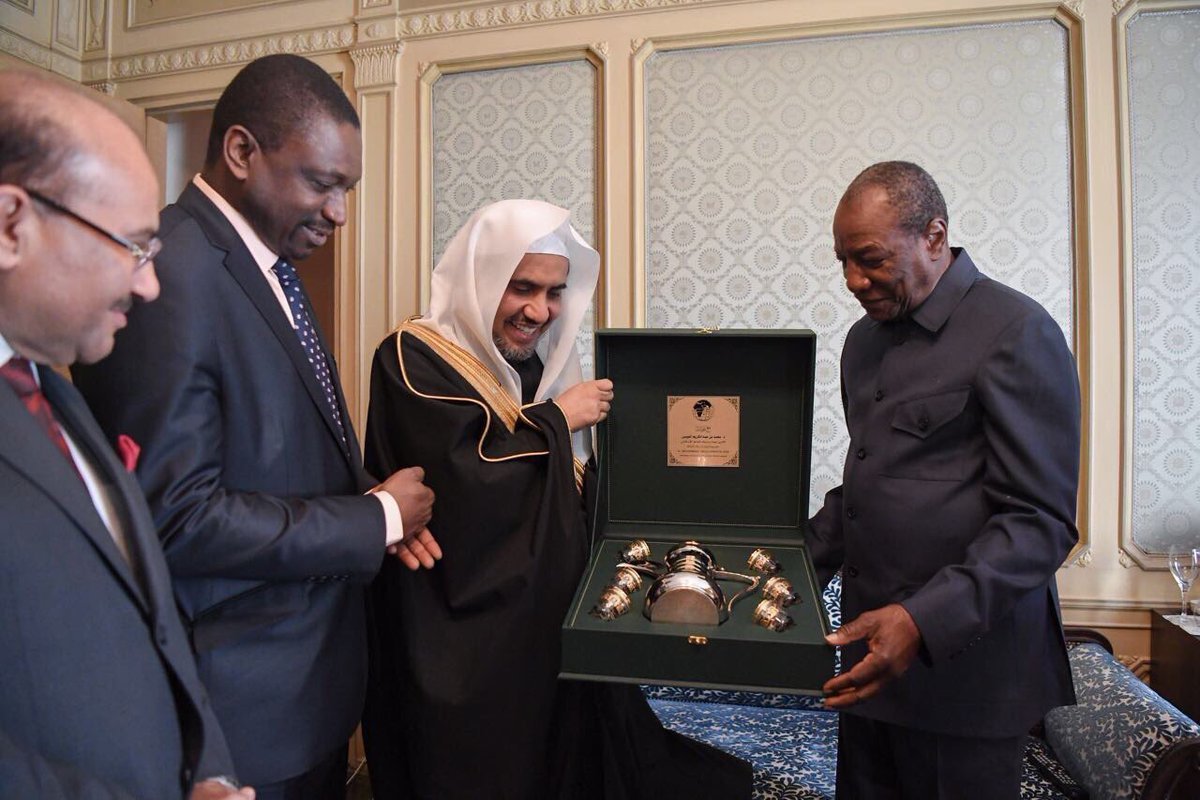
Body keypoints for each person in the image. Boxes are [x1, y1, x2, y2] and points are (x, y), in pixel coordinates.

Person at [72, 55, 438, 799]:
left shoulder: (259, 262)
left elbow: (266, 451)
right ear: (241, 152)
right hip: (241, 719)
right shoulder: (172, 273)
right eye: (321, 182)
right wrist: (372, 519)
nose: (339, 212)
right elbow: (174, 515)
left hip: (302, 695)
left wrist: (372, 502)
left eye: (348, 190)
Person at [360, 199, 753, 799]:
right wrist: (556, 419)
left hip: (543, 622)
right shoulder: (412, 355)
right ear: (481, 275)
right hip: (455, 624)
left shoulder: (532, 362)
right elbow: (457, 479)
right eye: (521, 287)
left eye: (553, 293)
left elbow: (570, 481)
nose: (537, 311)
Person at [0, 70, 253, 800]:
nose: (147, 287)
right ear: (13, 223)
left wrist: (203, 767)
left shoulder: (55, 388)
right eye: (134, 248)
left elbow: (151, 615)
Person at [807, 161, 1080, 798]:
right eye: (842, 260)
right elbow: (871, 485)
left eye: (869, 259)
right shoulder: (862, 343)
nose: (853, 280)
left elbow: (1039, 522)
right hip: (869, 670)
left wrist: (922, 620)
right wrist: (783, 563)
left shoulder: (1017, 330)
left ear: (934, 235)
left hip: (967, 682)